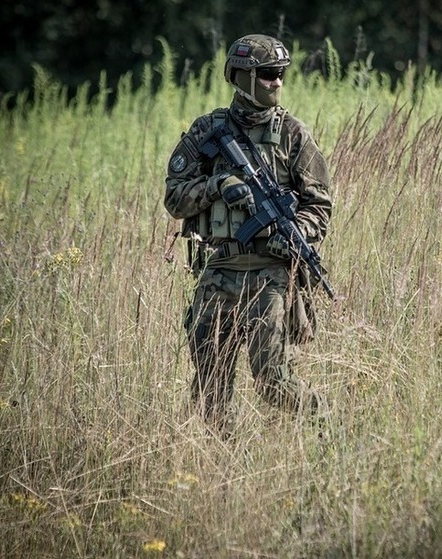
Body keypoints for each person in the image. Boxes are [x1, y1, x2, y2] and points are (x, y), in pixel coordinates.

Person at [164, 34, 333, 433]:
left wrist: (294, 236)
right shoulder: (208, 131)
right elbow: (174, 198)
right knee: (210, 388)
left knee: (273, 383)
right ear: (241, 76)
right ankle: (227, 469)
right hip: (218, 272)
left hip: (270, 277)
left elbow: (319, 206)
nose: (278, 82)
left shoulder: (292, 133)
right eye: (269, 74)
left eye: (281, 74)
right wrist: (217, 186)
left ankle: (327, 425)